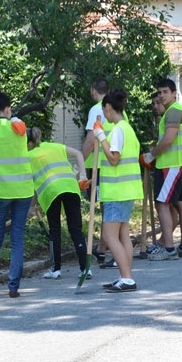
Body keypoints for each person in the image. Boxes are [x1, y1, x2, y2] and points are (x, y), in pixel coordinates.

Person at [0, 86, 33, 298]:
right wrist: (14, 119)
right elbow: (21, 130)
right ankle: (13, 288)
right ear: (8, 108)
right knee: (17, 237)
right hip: (23, 189)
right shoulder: (18, 127)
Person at [142, 79, 182, 261]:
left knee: (162, 204)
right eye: (159, 92)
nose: (161, 96)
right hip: (180, 163)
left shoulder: (173, 112)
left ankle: (168, 248)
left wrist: (151, 155)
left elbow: (168, 140)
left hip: (171, 165)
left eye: (165, 92)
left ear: (174, 93)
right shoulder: (174, 111)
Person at [92, 88, 141, 292]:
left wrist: (101, 136)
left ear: (108, 107)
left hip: (117, 191)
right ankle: (125, 276)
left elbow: (114, 159)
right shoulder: (127, 128)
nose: (104, 116)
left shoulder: (118, 130)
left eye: (104, 111)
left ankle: (127, 279)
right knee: (122, 235)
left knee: (109, 235)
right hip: (126, 190)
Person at [26, 127, 88, 280]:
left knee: (55, 230)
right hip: (71, 187)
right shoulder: (54, 146)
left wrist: (31, 208)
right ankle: (85, 269)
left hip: (51, 191)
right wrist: (83, 176)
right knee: (76, 228)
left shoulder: (28, 156)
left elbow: (33, 186)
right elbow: (79, 153)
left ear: (29, 143)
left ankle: (56, 270)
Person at [81, 78, 111, 264]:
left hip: (99, 164)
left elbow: (91, 140)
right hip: (111, 162)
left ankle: (102, 248)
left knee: (105, 207)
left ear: (93, 90)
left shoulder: (97, 109)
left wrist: (79, 162)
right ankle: (104, 246)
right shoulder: (117, 108)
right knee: (109, 206)